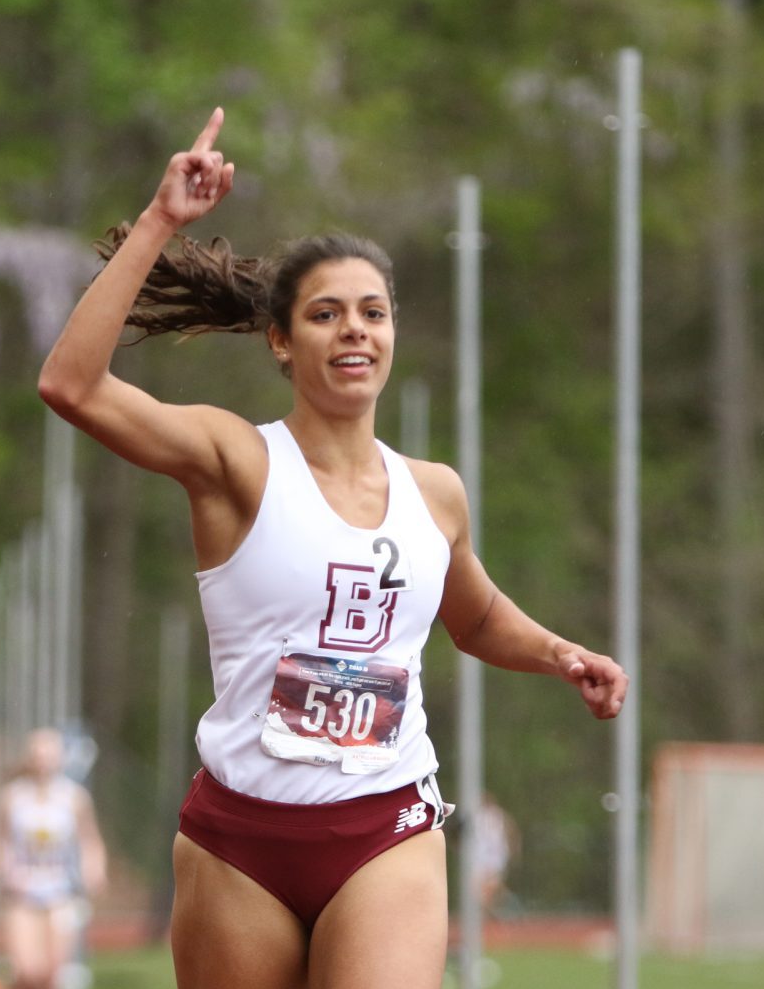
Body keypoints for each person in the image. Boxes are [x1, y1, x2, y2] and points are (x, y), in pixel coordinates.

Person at [38, 107, 627, 988]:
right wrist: (161, 220)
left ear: (392, 335)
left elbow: (476, 617)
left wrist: (559, 652)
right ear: (282, 339)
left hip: (384, 824)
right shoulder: (236, 460)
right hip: (241, 842)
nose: (354, 329)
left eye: (373, 312)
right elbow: (71, 385)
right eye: (325, 314)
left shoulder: (435, 492)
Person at [0, 728, 108, 989]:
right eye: (38, 755)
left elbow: (90, 840)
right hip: (22, 891)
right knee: (27, 970)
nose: (43, 761)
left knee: (51, 974)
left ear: (59, 759)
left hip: (61, 890)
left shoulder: (74, 798)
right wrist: (7, 870)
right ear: (30, 758)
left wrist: (94, 868)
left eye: (49, 755)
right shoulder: (12, 797)